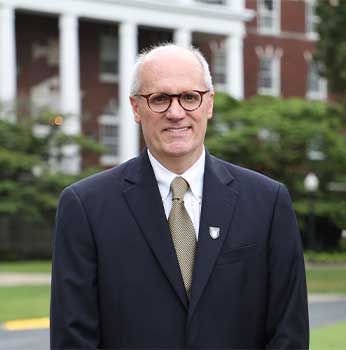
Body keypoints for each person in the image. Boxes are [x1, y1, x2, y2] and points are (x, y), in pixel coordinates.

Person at [50, 44, 309, 349]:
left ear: (209, 104)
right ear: (136, 108)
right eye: (159, 98)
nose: (176, 113)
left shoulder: (268, 202)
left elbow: (288, 333)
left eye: (189, 97)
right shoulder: (85, 207)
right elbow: (73, 338)